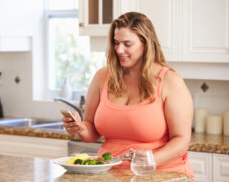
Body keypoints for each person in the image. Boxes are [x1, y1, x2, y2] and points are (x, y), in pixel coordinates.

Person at [62, 12, 194, 179]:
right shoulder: (102, 77)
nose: (119, 50)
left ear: (146, 44)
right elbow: (92, 131)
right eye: (116, 43)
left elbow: (181, 140)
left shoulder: (170, 81)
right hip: (112, 175)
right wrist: (80, 128)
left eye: (127, 44)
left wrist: (148, 159)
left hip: (163, 174)